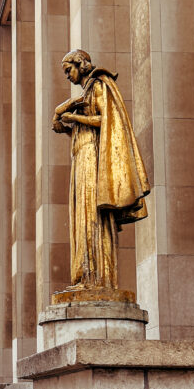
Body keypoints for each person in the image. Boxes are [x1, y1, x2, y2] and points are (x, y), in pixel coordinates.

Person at [52, 48, 150, 292]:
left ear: (80, 65)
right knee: (82, 215)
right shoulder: (85, 92)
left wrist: (75, 119)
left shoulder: (98, 85)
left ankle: (96, 278)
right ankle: (84, 277)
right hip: (82, 156)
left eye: (68, 70)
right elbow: (87, 125)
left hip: (94, 157)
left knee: (91, 213)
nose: (67, 76)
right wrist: (66, 127)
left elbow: (105, 120)